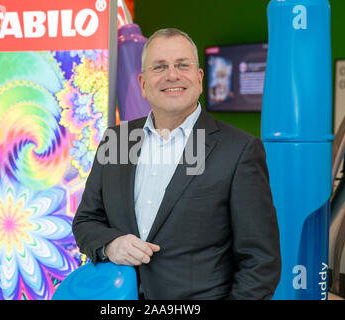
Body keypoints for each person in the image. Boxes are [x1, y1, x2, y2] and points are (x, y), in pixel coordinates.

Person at [73, 28, 281, 300]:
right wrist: (110, 245)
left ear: (199, 77)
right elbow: (86, 221)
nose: (172, 75)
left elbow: (260, 262)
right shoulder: (117, 140)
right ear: (143, 83)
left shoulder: (239, 150)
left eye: (182, 65)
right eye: (159, 67)